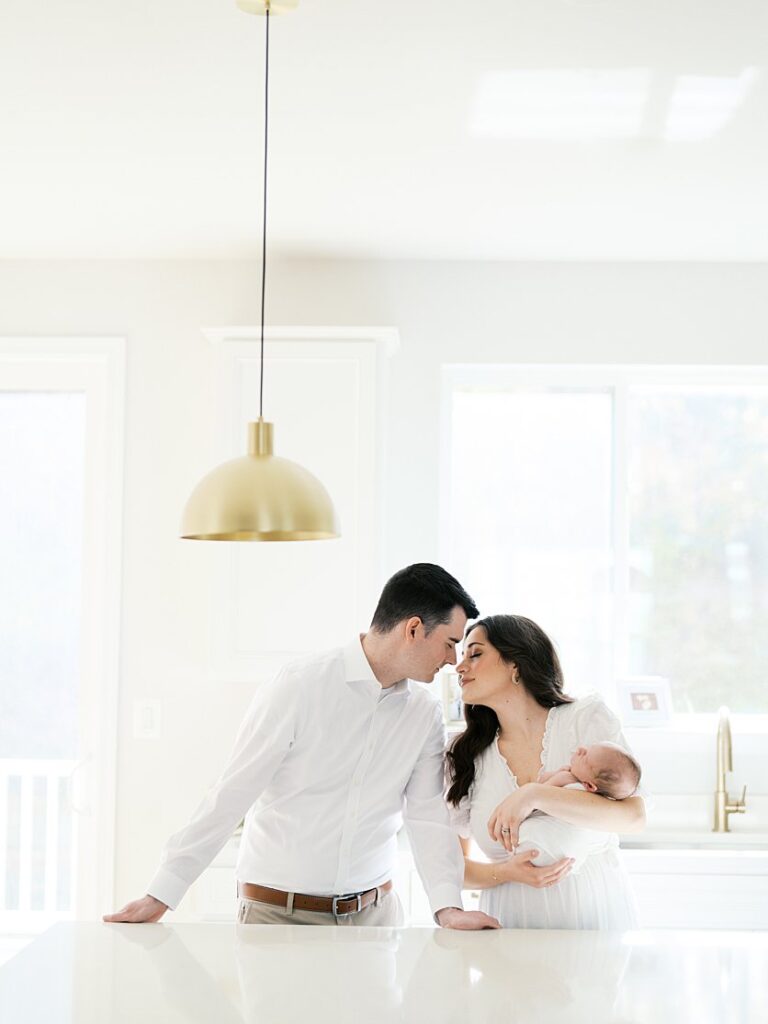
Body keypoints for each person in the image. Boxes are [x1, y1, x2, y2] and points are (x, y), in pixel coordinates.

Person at [104, 564, 500, 930]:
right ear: (413, 629)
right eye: (449, 643)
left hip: (374, 919)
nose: (453, 660)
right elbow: (232, 792)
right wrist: (163, 892)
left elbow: (428, 818)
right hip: (277, 915)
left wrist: (449, 909)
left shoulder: (422, 713)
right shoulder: (299, 686)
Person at [445, 614, 645, 929]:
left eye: (475, 654)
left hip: (596, 922)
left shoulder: (584, 719)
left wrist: (535, 795)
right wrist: (505, 872)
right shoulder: (464, 756)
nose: (459, 667)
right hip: (512, 928)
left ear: (515, 665)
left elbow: (633, 818)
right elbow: (450, 868)